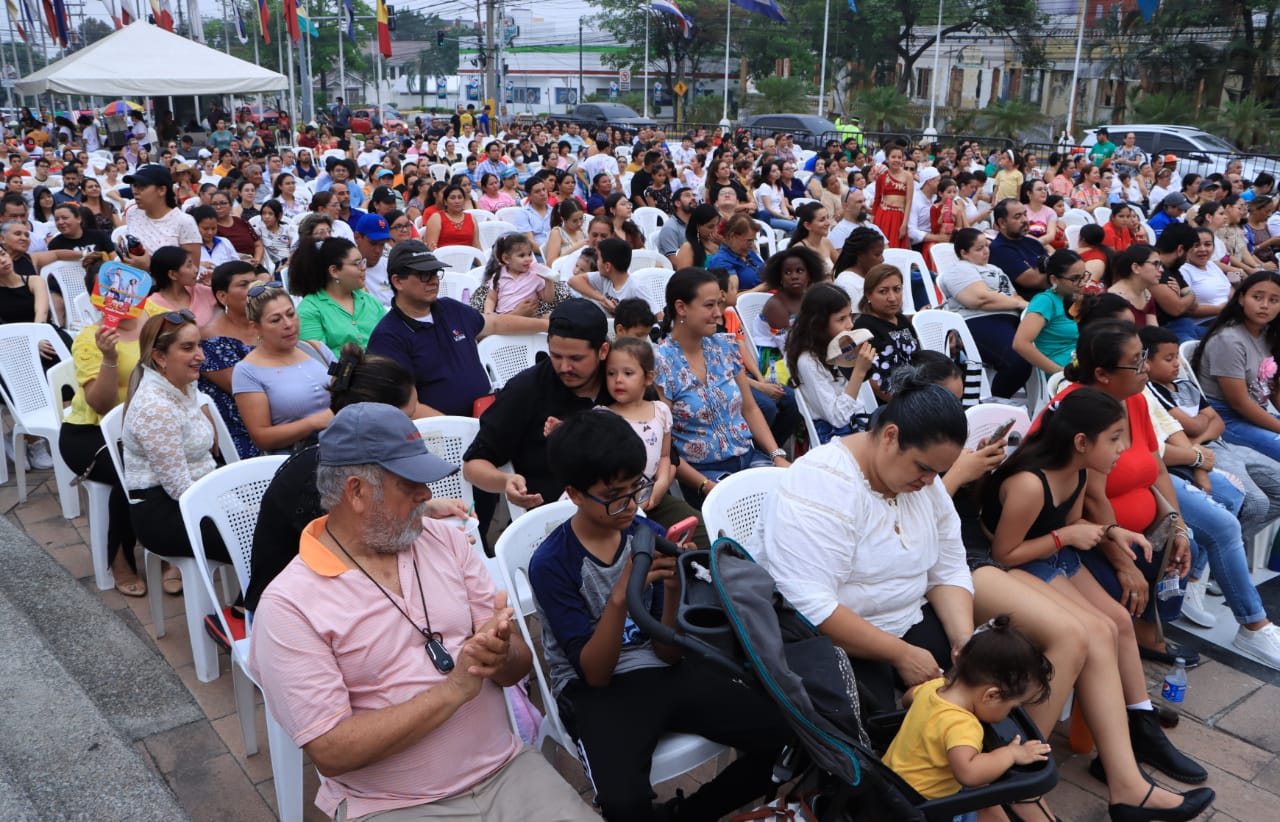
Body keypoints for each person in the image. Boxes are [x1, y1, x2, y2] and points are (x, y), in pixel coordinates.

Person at [247, 402, 597, 822]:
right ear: (356, 492)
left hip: (506, 769)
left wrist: (503, 656)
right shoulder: (290, 605)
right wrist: (454, 689)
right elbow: (331, 750)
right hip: (394, 803)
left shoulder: (445, 542)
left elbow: (517, 666)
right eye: (410, 483)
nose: (427, 495)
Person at [529, 410, 790, 821]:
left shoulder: (641, 532)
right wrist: (622, 596)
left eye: (636, 489)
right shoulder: (551, 563)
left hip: (658, 667)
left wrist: (671, 588)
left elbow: (668, 653)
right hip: (595, 688)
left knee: (786, 733)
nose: (630, 505)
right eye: (615, 496)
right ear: (574, 494)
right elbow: (595, 675)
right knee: (624, 804)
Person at [756, 370, 974, 711]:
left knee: (978, 689)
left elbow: (947, 568)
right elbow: (809, 605)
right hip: (835, 639)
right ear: (890, 436)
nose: (930, 482)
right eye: (923, 468)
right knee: (883, 728)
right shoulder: (823, 484)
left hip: (908, 618)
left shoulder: (922, 485)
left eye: (939, 473)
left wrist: (963, 638)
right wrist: (900, 654)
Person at [884, 616, 1054, 811]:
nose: (1010, 714)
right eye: (1012, 707)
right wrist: (1011, 753)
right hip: (921, 805)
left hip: (890, 783)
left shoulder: (933, 687)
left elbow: (908, 698)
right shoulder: (962, 724)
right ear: (992, 695)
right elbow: (969, 773)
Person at [463, 299, 616, 514]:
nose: (564, 367)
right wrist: (506, 481)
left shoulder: (623, 379)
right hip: (557, 516)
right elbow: (473, 465)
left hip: (626, 499)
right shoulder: (527, 390)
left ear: (603, 351)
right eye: (556, 356)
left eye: (576, 358)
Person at [653, 268, 790, 504]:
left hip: (748, 458)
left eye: (719, 303)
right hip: (704, 474)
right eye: (709, 305)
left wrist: (777, 455)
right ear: (681, 308)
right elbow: (666, 447)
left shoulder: (724, 347)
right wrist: (705, 485)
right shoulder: (661, 363)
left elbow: (750, 409)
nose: (719, 313)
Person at [120, 309, 231, 596]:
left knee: (279, 523)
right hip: (164, 510)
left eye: (198, 345)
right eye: (188, 348)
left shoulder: (181, 382)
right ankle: (244, 614)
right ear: (159, 357)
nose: (201, 356)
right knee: (262, 536)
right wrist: (232, 507)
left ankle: (248, 607)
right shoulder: (155, 407)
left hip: (198, 491)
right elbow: (179, 489)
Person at [232, 283, 335, 454]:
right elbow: (261, 437)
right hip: (300, 457)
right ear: (255, 327)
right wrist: (314, 423)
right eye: (275, 320)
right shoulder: (247, 371)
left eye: (291, 314)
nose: (288, 324)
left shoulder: (317, 349)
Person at [1192, 271, 1280, 462]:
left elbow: (1274, 389)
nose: (1264, 305)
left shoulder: (1268, 334)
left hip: (1257, 410)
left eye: (1274, 300)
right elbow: (1239, 402)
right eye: (1257, 297)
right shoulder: (1229, 340)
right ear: (1241, 298)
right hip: (1227, 418)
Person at [937, 228, 1032, 395]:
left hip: (1010, 319)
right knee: (1019, 361)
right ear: (964, 253)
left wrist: (1028, 307)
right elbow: (980, 299)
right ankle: (997, 400)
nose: (986, 251)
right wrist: (1018, 304)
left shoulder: (995, 268)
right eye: (979, 248)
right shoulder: (959, 269)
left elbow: (1015, 295)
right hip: (979, 321)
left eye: (986, 246)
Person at [785, 283, 876, 443]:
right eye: (841, 319)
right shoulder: (808, 361)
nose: (850, 325)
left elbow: (859, 403)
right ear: (818, 324)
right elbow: (838, 418)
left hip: (856, 421)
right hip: (833, 435)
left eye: (850, 316)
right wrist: (859, 372)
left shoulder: (840, 344)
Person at [293, 237, 386, 351]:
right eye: (357, 263)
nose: (364, 267)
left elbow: (390, 341)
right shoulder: (310, 310)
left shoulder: (369, 301)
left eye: (363, 262)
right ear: (334, 271)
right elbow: (320, 359)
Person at [1012, 249, 1085, 375]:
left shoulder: (1075, 298)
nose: (1082, 283)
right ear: (1054, 280)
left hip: (1082, 363)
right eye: (1075, 279)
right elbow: (1021, 343)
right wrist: (1060, 373)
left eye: (1084, 276)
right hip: (1065, 369)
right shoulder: (1045, 301)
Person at [854, 264, 920, 403]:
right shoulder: (864, 327)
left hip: (914, 390)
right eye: (883, 291)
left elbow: (917, 357)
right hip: (890, 402)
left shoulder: (902, 320)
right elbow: (872, 379)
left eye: (897, 289)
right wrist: (906, 405)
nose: (892, 298)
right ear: (868, 295)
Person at [119, 165, 201, 270]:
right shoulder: (133, 212)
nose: (135, 191)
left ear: (162, 190)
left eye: (142, 186)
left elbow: (192, 272)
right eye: (134, 186)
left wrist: (150, 267)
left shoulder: (184, 222)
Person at [988, 198, 1049, 298]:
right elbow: (1034, 280)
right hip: (1032, 302)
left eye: (1025, 214)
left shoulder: (1032, 242)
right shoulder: (999, 249)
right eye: (1017, 217)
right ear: (1002, 223)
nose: (1024, 220)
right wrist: (1057, 274)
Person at [144, 245, 218, 326]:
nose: (196, 270)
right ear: (172, 274)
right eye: (189, 266)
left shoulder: (203, 292)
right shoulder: (150, 307)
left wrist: (218, 282)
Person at [569, 237, 642, 316]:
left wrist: (618, 311)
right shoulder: (604, 278)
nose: (597, 262)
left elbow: (654, 319)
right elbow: (573, 281)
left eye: (599, 259)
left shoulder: (636, 287)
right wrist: (602, 298)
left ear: (607, 266)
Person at [704, 213, 764, 293]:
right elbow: (731, 298)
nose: (751, 245)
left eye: (753, 240)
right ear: (732, 236)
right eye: (749, 241)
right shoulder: (721, 261)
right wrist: (765, 287)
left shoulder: (748, 252)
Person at [871, 146, 914, 249]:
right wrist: (872, 223)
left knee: (896, 249)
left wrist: (904, 224)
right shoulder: (882, 177)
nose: (896, 160)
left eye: (899, 157)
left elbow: (909, 202)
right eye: (893, 157)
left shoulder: (908, 176)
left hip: (899, 217)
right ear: (887, 159)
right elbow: (877, 201)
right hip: (883, 215)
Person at [423, 184, 481, 251]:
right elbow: (431, 247)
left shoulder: (471, 218)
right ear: (445, 202)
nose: (457, 201)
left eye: (460, 197)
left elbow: (476, 245)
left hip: (469, 259)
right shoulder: (437, 218)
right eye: (452, 198)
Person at [671, 204, 720, 269]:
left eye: (717, 225)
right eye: (710, 227)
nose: (715, 230)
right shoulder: (688, 247)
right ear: (697, 226)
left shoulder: (719, 243)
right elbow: (682, 276)